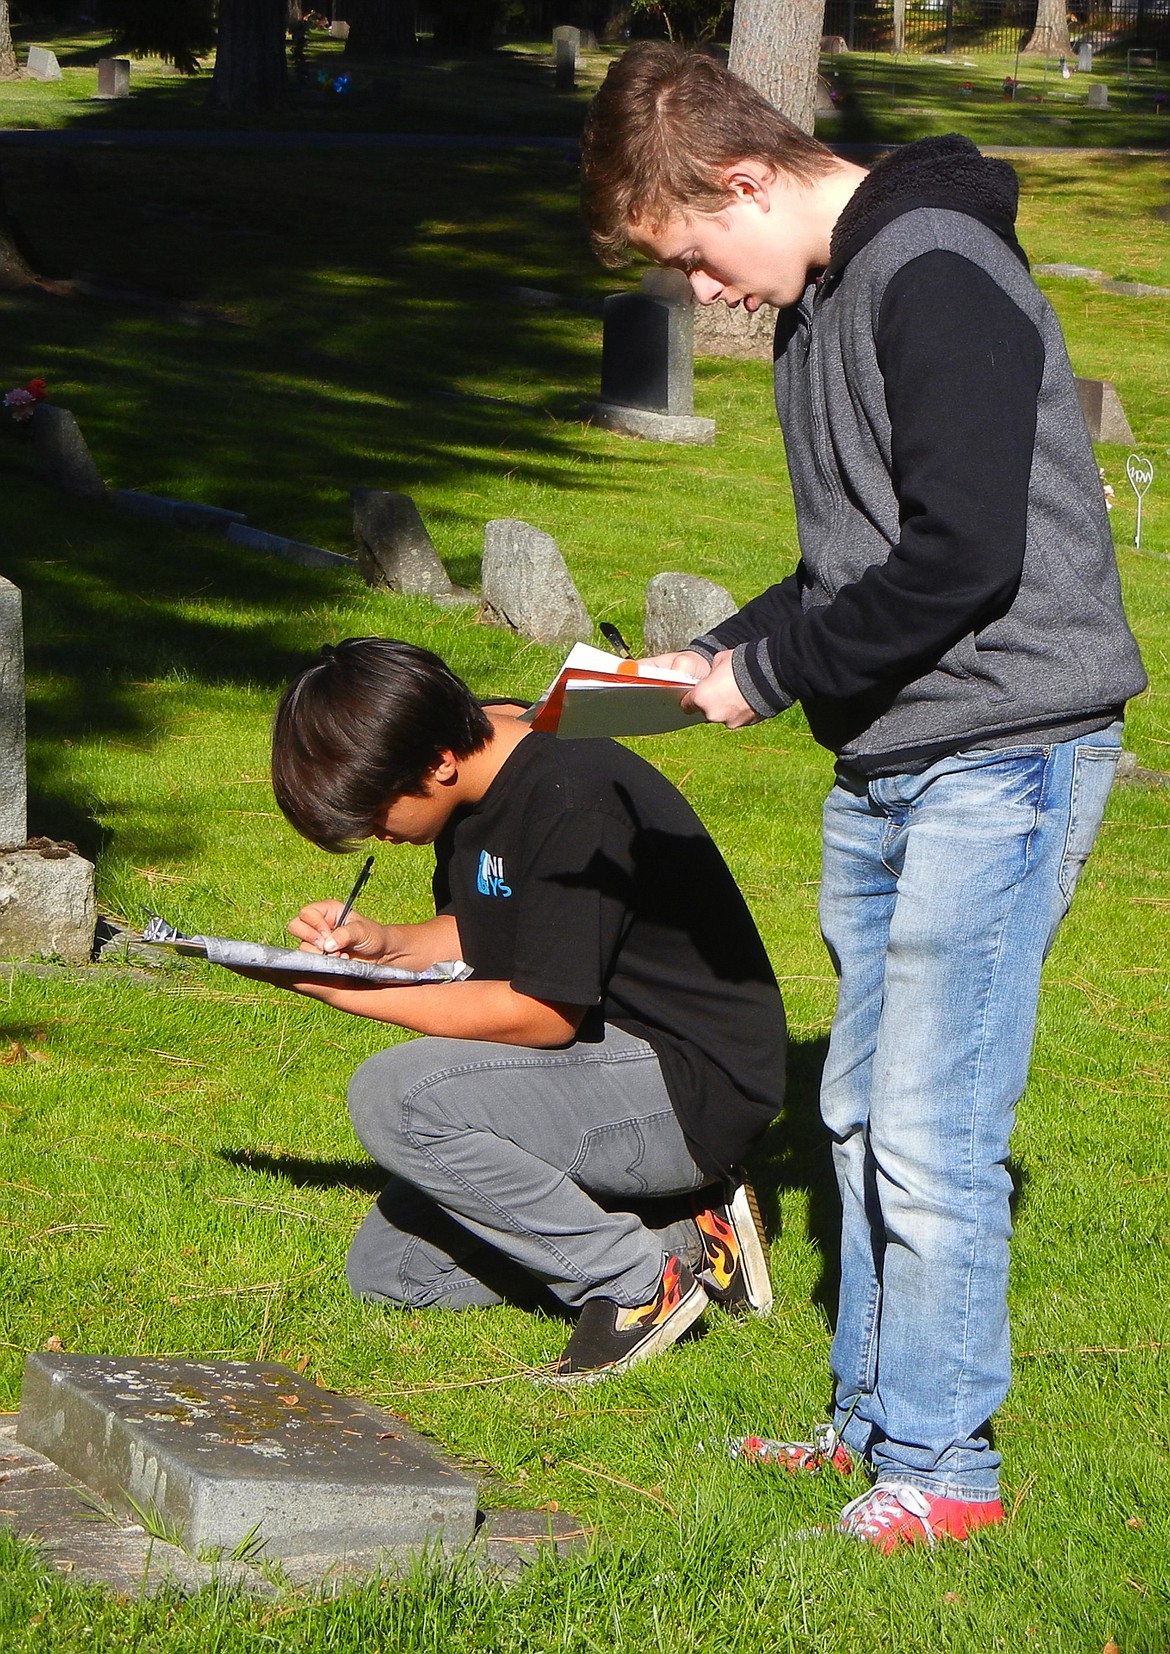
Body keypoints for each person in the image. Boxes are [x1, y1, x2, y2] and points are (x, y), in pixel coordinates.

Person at [580, 44, 1146, 1544]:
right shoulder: (819, 303)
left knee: (933, 1128)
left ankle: (947, 1475)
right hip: (892, 759)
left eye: (693, 252)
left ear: (746, 177)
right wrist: (710, 651)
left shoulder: (933, 266)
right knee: (855, 1115)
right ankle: (868, 1430)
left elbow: (963, 558)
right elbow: (856, 568)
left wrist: (763, 679)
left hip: (1005, 751)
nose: (700, 291)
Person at [263, 636, 786, 1383]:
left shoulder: (572, 792)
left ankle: (636, 1283)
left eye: (376, 814)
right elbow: (491, 935)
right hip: (599, 1059)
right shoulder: (474, 785)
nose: (376, 834)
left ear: (438, 761)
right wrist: (378, 947)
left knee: (398, 1097)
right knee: (393, 1275)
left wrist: (361, 999)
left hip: (686, 1084)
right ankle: (688, 1238)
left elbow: (543, 1013)